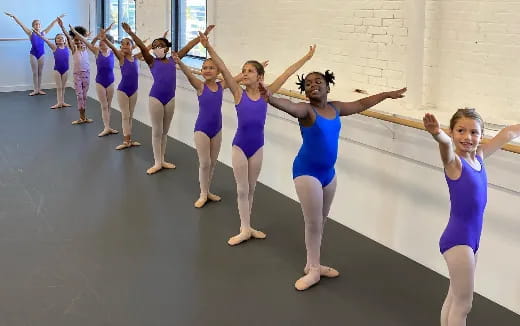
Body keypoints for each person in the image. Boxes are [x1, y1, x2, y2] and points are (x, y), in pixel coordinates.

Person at [261, 70, 406, 290]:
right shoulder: (307, 110)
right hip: (306, 171)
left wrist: (385, 95)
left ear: (328, 87)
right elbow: (290, 105)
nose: (313, 85)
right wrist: (270, 97)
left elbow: (360, 103)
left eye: (318, 81)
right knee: (313, 222)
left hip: (328, 173)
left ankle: (312, 264)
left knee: (322, 220)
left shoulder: (335, 108)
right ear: (305, 91)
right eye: (308, 84)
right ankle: (315, 271)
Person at [423, 108, 520, 326]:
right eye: (461, 131)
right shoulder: (455, 164)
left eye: (474, 132)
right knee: (463, 305)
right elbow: (446, 147)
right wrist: (438, 134)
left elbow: (509, 133)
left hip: (471, 240)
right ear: (452, 132)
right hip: (459, 240)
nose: (467, 137)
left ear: (481, 135)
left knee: (454, 297)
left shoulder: (480, 157)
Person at [4, 12, 65, 95]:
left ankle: (39, 89)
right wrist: (14, 16)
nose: (38, 26)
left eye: (39, 24)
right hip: (33, 54)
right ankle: (35, 89)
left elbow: (51, 25)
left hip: (42, 55)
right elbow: (22, 25)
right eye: (36, 24)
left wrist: (57, 19)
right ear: (33, 26)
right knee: (35, 73)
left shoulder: (43, 33)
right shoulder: (30, 33)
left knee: (40, 72)